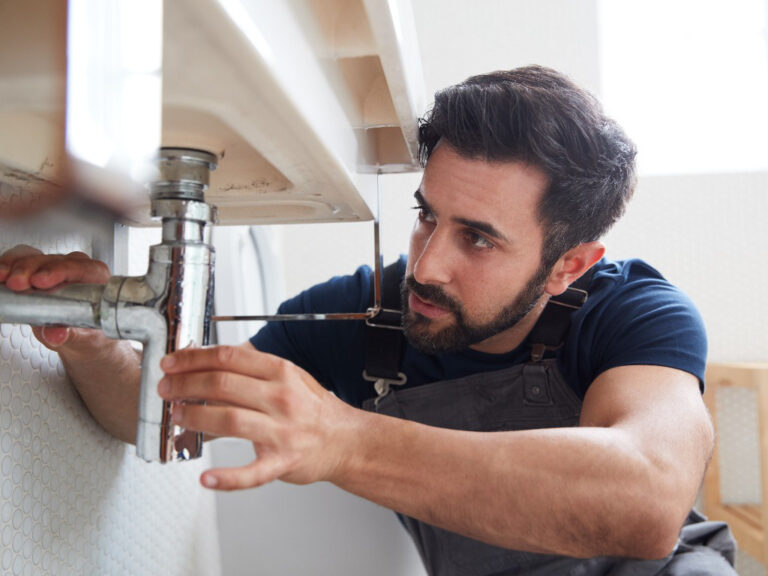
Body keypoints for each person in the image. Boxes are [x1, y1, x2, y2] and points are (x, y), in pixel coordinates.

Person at [0, 66, 736, 575]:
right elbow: (172, 412)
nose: (427, 266)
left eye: (477, 238)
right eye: (427, 217)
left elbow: (645, 496)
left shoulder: (635, 312)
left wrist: (342, 436)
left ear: (570, 264)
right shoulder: (370, 313)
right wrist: (91, 338)